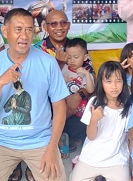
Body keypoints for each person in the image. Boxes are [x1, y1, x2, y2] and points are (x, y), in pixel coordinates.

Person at [0, 8, 69, 181]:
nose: (24, 36)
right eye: (18, 29)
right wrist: (0, 84)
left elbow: (59, 107)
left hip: (39, 140)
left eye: (29, 30)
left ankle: (30, 165)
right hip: (2, 141)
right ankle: (16, 164)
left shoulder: (47, 62)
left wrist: (52, 147)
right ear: (5, 31)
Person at [68, 61, 133, 181]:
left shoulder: (128, 107)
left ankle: (109, 179)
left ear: (124, 82)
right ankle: (93, 176)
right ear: (101, 83)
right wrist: (93, 120)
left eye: (118, 81)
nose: (114, 86)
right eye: (108, 81)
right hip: (92, 157)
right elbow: (91, 136)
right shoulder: (94, 102)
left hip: (115, 159)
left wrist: (130, 166)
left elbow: (131, 137)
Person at [36, 10, 96, 155]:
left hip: (75, 103)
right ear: (45, 27)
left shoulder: (77, 48)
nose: (59, 27)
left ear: (68, 26)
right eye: (53, 24)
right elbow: (37, 84)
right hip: (47, 104)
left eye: (63, 23)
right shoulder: (37, 50)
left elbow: (92, 78)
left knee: (84, 123)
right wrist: (59, 64)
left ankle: (67, 139)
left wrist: (79, 95)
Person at [60, 37, 95, 150]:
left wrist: (86, 74)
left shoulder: (87, 71)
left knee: (82, 126)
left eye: (76, 57)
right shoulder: (64, 69)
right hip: (65, 108)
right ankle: (64, 143)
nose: (72, 61)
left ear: (85, 57)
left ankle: (82, 144)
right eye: (69, 57)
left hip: (81, 111)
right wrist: (63, 80)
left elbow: (90, 90)